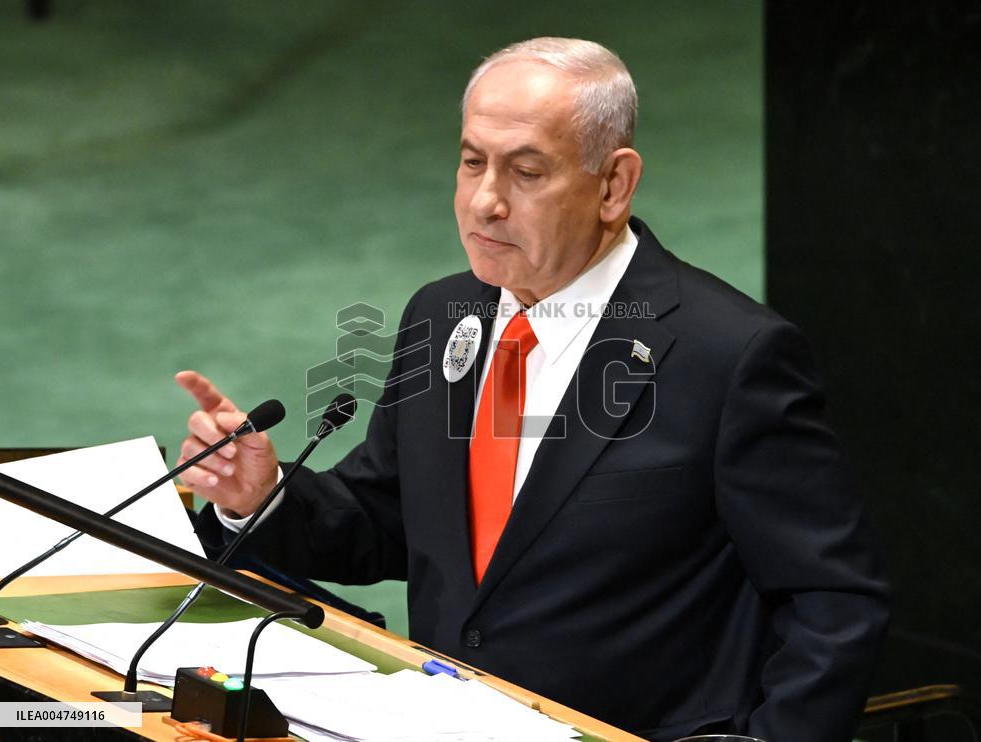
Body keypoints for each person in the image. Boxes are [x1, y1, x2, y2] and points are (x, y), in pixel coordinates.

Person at [179, 38, 889, 741]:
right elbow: (390, 518)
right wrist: (261, 495)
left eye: (525, 172)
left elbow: (832, 597)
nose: (485, 202)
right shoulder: (443, 313)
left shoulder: (727, 354)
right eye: (471, 163)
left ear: (613, 185)